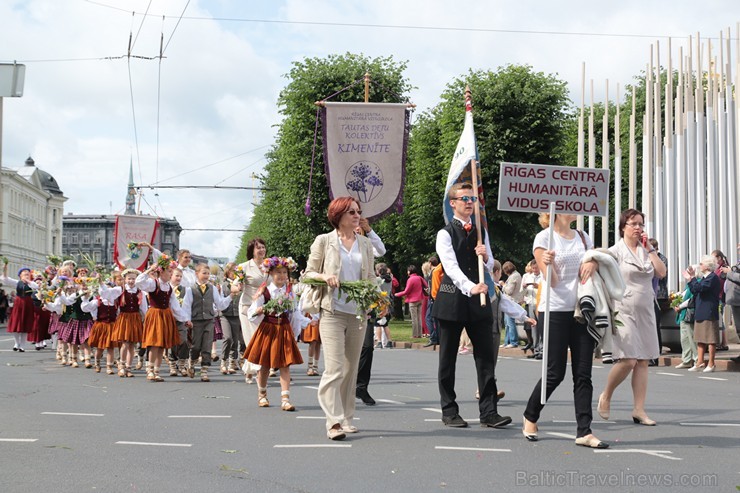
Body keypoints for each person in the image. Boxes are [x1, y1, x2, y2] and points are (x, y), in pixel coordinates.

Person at [522, 212, 607, 448]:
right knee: (555, 372)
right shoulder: (543, 238)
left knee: (583, 373)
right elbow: (553, 282)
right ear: (555, 211)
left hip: (581, 308)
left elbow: (594, 263)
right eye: (568, 205)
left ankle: (584, 431)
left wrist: (593, 261)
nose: (574, 209)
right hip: (554, 309)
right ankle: (530, 415)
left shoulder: (583, 237)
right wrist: (548, 265)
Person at [432, 182, 510, 429]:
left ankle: (489, 411)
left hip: (479, 302)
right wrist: (470, 287)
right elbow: (451, 267)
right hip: (452, 300)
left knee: (486, 357)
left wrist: (486, 257)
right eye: (464, 198)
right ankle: (449, 410)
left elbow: (488, 269)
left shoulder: (480, 232)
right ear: (452, 203)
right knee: (448, 359)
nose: (469, 202)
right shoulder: (445, 233)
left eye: (472, 198)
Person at [304, 196, 377, 441]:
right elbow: (308, 274)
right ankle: (332, 421)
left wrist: (376, 300)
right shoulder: (324, 241)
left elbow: (370, 277)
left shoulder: (365, 244)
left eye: (358, 211)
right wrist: (325, 277)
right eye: (351, 212)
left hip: (358, 313)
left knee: (350, 369)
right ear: (338, 216)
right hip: (332, 311)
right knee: (334, 369)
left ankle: (347, 418)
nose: (357, 215)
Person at [597, 209, 666, 427]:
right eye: (633, 223)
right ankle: (606, 395)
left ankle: (639, 409)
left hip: (645, 308)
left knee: (644, 360)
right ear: (623, 227)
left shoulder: (647, 251)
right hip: (623, 308)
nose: (638, 228)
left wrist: (651, 249)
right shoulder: (615, 251)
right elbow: (598, 261)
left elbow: (661, 272)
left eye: (641, 224)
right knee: (628, 359)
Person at [245, 257, 306, 411]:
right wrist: (260, 310)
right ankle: (262, 394)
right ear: (271, 273)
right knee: (265, 363)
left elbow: (294, 312)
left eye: (284, 272)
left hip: (283, 328)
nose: (281, 275)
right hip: (268, 328)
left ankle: (285, 399)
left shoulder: (289, 291)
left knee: (285, 364)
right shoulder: (264, 291)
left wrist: (299, 327)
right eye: (278, 272)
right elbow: (253, 310)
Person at [136, 259, 181, 382]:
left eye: (172, 271)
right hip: (155, 314)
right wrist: (150, 270)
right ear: (161, 272)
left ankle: (156, 370)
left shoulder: (169, 288)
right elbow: (138, 282)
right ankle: (150, 369)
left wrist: (185, 319)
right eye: (169, 271)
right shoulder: (153, 283)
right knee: (154, 343)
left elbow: (175, 306)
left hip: (165, 315)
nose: (171, 274)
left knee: (162, 345)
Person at [236, 238, 268, 384]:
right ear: (252, 251)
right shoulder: (244, 267)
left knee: (262, 341)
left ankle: (250, 369)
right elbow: (235, 285)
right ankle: (254, 371)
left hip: (265, 308)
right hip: (248, 308)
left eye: (263, 247)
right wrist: (238, 288)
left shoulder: (270, 265)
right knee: (252, 340)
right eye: (258, 248)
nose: (261, 250)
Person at [684, 256, 722, 372]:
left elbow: (700, 288)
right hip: (700, 309)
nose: (700, 266)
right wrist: (691, 279)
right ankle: (699, 362)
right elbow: (695, 290)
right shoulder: (704, 278)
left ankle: (711, 363)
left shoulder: (712, 278)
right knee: (700, 338)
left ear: (707, 266)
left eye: (701, 264)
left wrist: (692, 279)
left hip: (709, 310)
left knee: (710, 338)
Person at [111, 268, 145, 377]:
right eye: (129, 279)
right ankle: (122, 365)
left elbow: (143, 308)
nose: (131, 281)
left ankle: (129, 367)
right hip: (124, 318)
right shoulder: (120, 290)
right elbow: (110, 298)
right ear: (125, 279)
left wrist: (145, 319)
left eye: (133, 279)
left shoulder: (139, 292)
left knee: (132, 344)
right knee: (125, 343)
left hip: (135, 317)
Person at [1, 265, 39, 352]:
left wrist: (28, 281)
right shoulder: (17, 282)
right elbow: (6, 279)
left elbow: (36, 287)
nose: (26, 275)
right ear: (20, 275)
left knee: (25, 325)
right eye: (24, 273)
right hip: (19, 304)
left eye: (28, 274)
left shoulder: (31, 283)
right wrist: (5, 270)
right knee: (16, 323)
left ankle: (22, 345)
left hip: (28, 304)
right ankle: (16, 343)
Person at [220, 262, 245, 375]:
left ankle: (232, 362)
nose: (234, 274)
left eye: (236, 272)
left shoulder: (241, 284)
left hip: (237, 315)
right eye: (232, 271)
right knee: (228, 338)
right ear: (228, 272)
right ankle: (223, 361)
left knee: (235, 340)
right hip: (225, 314)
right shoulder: (223, 285)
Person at [395, 265, 427, 339]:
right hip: (420, 299)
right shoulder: (419, 278)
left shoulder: (410, 279)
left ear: (409, 271)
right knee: (419, 318)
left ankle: (414, 335)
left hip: (413, 301)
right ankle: (420, 334)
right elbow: (426, 285)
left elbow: (406, 291)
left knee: (414, 319)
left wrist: (397, 294)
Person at [720, 244, 740, 364]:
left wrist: (729, 273)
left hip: (738, 299)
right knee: (739, 329)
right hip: (735, 299)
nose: (738, 250)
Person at [673, 282, 698, 369]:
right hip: (683, 314)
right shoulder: (688, 284)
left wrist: (680, 306)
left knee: (691, 338)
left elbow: (691, 299)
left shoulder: (696, 282)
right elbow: (683, 295)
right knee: (684, 339)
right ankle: (686, 360)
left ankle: (697, 359)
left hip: (689, 313)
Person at [501, 261, 524, 348]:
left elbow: (509, 291)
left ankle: (513, 341)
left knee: (510, 322)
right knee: (507, 322)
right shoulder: (515, 275)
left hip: (512, 301)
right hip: (510, 301)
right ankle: (507, 341)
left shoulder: (514, 276)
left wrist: (503, 285)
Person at [520, 259, 541, 355]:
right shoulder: (528, 277)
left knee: (541, 326)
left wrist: (537, 286)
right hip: (530, 302)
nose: (535, 270)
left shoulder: (543, 276)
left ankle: (542, 348)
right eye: (533, 268)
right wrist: (524, 287)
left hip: (540, 303)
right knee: (534, 327)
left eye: (537, 268)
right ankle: (536, 349)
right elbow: (522, 292)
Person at [712, 249, 730, 351]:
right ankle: (723, 342)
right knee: (720, 319)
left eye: (714, 258)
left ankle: (723, 343)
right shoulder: (718, 268)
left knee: (720, 320)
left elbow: (721, 283)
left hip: (720, 297)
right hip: (718, 296)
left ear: (719, 258)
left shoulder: (723, 269)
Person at [423, 256, 441, 347]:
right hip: (437, 297)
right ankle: (438, 338)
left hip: (433, 298)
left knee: (428, 318)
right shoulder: (438, 271)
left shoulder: (434, 272)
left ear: (430, 263)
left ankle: (433, 338)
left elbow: (435, 286)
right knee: (436, 319)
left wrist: (431, 294)